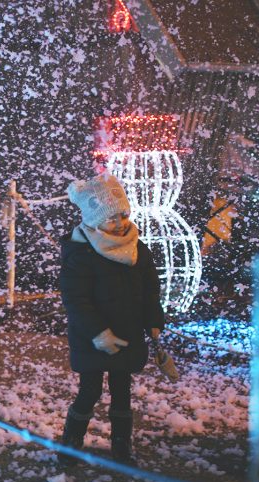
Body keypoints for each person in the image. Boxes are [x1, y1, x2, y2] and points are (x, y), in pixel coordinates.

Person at [58, 173, 164, 465]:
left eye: (122, 215)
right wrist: (97, 332)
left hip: (127, 331)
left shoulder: (137, 249)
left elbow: (150, 289)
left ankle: (121, 445)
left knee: (122, 392)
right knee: (89, 391)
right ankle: (71, 443)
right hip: (91, 338)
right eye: (111, 218)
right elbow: (76, 301)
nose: (119, 223)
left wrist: (154, 321)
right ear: (93, 219)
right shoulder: (80, 254)